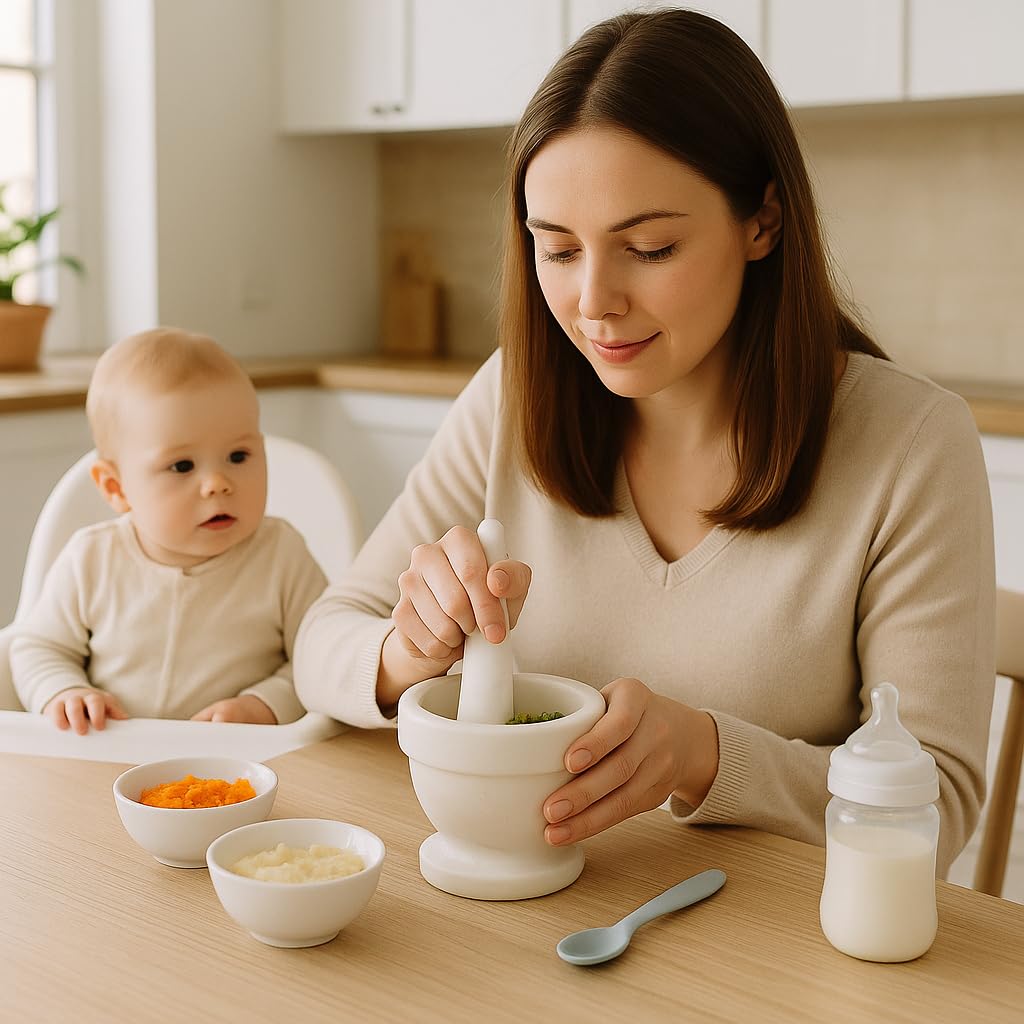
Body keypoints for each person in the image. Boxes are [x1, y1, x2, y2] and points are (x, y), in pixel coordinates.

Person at [294, 10, 995, 876]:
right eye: (557, 250)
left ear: (763, 222)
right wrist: (404, 654)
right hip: (538, 916)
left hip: (765, 961)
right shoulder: (511, 399)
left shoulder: (910, 444)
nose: (594, 302)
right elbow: (324, 641)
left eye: (650, 247)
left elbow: (941, 805)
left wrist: (705, 753)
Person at [11, 327, 327, 733]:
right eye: (182, 466)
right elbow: (38, 646)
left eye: (238, 455)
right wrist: (64, 692)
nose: (217, 482)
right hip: (110, 758)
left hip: (237, 764)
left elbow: (323, 658)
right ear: (116, 487)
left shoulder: (281, 554)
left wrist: (262, 704)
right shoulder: (92, 559)